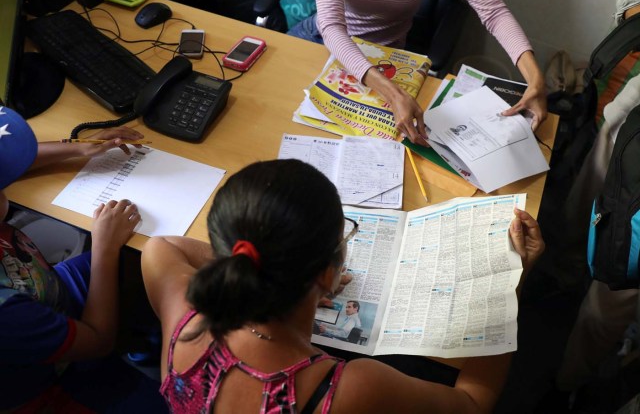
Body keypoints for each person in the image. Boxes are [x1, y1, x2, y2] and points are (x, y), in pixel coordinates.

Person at [141, 158, 544, 413]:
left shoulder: (182, 311)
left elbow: (162, 246)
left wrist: (264, 266)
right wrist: (512, 282)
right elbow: (472, 405)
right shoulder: (350, 390)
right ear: (327, 274)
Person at [0, 106, 163, 411]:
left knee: (140, 261)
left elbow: (12, 160)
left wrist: (78, 148)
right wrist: (104, 248)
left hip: (45, 291)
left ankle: (144, 337)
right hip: (50, 384)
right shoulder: (7, 314)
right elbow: (98, 341)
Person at [288, 0, 547, 144]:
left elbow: (493, 12)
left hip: (392, 59)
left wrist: (535, 79)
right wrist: (393, 94)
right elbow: (331, 26)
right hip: (327, 47)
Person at [555, 0, 640, 393]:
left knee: (620, 274)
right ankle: (564, 268)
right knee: (609, 136)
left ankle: (571, 383)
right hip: (633, 107)